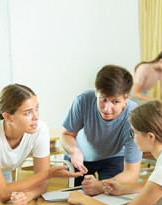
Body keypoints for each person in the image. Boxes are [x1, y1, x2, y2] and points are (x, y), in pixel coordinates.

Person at [0, 84, 82, 205]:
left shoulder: (40, 129)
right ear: (8, 117)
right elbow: (3, 193)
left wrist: (28, 195)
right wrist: (48, 174)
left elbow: (42, 185)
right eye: (27, 113)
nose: (36, 117)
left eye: (37, 108)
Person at [60, 65, 142, 196]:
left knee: (110, 198)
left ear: (127, 98)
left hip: (113, 158)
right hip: (80, 157)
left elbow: (132, 173)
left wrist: (100, 186)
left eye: (115, 102)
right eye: (103, 99)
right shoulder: (83, 100)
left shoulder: (134, 115)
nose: (106, 109)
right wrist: (73, 150)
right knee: (76, 199)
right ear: (96, 92)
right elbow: (66, 135)